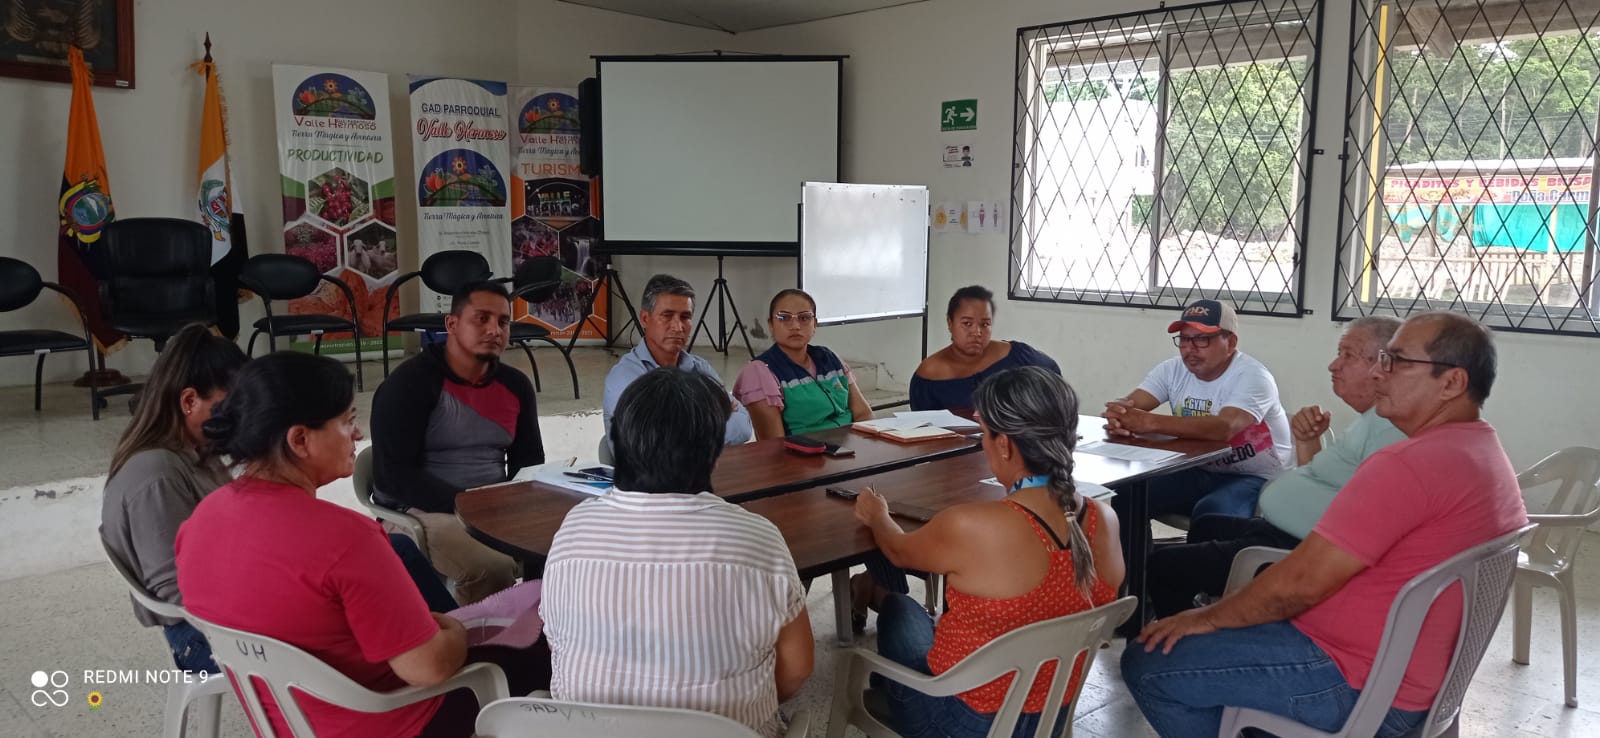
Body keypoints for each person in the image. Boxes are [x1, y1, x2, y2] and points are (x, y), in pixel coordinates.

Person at [1122, 312, 1528, 738]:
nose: (1380, 373)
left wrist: (1205, 618)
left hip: (1357, 678)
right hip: (1407, 674)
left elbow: (1297, 585)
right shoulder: (1482, 450)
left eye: (1396, 361)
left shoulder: (1407, 464)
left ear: (1452, 383)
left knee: (1148, 662)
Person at [177, 352, 547, 738]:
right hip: (394, 722)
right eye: (346, 420)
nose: (356, 434)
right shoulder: (345, 538)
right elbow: (428, 668)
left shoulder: (201, 521)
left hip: (287, 723)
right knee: (547, 648)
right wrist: (453, 630)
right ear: (300, 439)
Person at [851, 366, 1124, 738]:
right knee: (920, 619)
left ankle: (890, 697)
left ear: (1005, 444)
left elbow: (898, 552)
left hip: (959, 722)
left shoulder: (972, 525)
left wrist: (877, 515)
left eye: (984, 433)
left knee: (898, 608)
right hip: (1051, 716)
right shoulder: (1103, 519)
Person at [543, 367, 814, 738]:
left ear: (619, 443)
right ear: (713, 454)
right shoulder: (757, 539)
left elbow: (559, 644)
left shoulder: (574, 528)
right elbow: (797, 668)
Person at [1143, 316, 1405, 617]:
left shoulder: (1391, 433)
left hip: (1300, 547)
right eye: (1185, 340)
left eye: (1348, 355)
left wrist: (1147, 422)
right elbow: (1318, 482)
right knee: (1207, 524)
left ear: (1384, 366)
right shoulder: (1372, 420)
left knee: (1165, 564)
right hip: (1286, 528)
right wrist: (1307, 440)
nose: (1334, 366)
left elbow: (1355, 527)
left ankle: (1191, 628)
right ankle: (1202, 602)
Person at [371, 281, 542, 604]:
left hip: (491, 509)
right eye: (482, 318)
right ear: (452, 324)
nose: (494, 330)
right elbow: (392, 475)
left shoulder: (516, 386)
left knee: (565, 544)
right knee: (491, 566)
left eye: (503, 322)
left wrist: (515, 510)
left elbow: (529, 463)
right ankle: (476, 633)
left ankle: (537, 628)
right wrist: (471, 507)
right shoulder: (408, 384)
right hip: (417, 511)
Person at [100, 323, 247, 673]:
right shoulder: (156, 473)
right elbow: (177, 591)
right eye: (231, 407)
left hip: (221, 611)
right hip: (200, 635)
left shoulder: (194, 450)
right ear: (189, 401)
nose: (240, 418)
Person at [1103, 299, 1293, 529]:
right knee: (1128, 493)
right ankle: (1137, 555)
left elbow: (1225, 428)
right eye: (1184, 339)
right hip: (1199, 469)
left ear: (1231, 342)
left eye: (1202, 339)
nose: (1190, 348)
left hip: (1258, 478)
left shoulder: (1253, 376)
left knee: (1212, 515)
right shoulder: (1172, 370)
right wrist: (1118, 415)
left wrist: (1148, 422)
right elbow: (1130, 406)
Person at [603, 273, 753, 446]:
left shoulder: (699, 368)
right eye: (667, 315)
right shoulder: (625, 376)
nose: (678, 326)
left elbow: (743, 426)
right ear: (645, 319)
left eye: (685, 317)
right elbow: (655, 443)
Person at [735, 288, 872, 439]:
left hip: (851, 446)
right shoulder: (759, 371)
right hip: (804, 451)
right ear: (771, 325)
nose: (795, 326)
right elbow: (774, 443)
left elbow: (863, 414)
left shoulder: (829, 358)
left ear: (815, 324)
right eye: (784, 317)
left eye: (804, 317)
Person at [909, 285, 1060, 411]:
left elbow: (1054, 380)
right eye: (967, 323)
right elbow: (924, 427)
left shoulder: (1019, 356)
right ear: (950, 323)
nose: (977, 332)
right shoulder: (929, 374)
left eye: (985, 324)